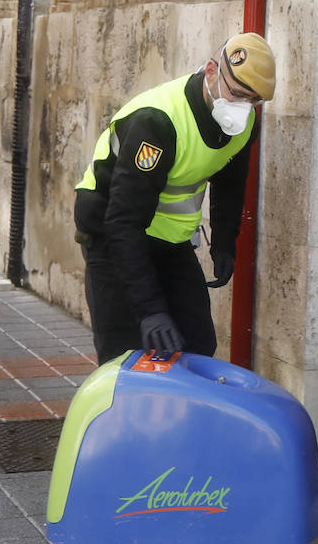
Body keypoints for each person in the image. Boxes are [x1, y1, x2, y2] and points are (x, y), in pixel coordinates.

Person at [73, 32, 275, 364]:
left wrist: (225, 243)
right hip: (113, 235)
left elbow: (230, 182)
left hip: (170, 239)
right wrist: (150, 309)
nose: (243, 107)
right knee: (125, 356)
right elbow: (123, 221)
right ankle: (122, 414)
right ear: (211, 72)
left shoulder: (244, 124)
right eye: (237, 94)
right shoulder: (157, 121)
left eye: (253, 100)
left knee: (196, 343)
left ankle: (176, 415)